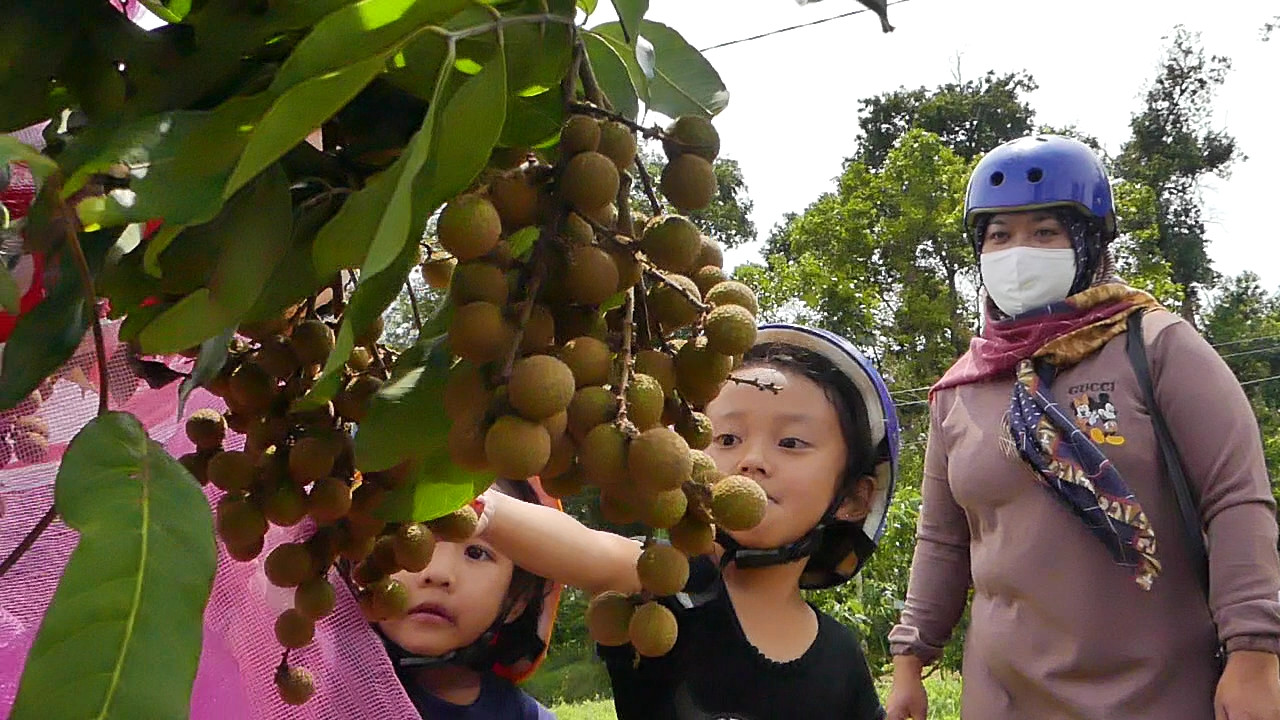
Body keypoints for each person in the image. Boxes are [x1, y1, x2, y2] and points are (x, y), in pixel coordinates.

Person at [884, 135, 1280, 720]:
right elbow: (943, 541)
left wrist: (1255, 654)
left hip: (1159, 692)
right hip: (1004, 696)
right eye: (1000, 235)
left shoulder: (1157, 347)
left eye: (1045, 232)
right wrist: (910, 664)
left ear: (1089, 241)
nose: (1018, 252)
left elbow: (1236, 500)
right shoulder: (960, 390)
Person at [470, 324, 900, 720]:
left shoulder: (841, 655)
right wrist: (477, 507)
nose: (751, 461)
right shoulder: (667, 586)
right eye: (728, 439)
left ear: (853, 498)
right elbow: (590, 550)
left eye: (791, 442)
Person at [374, 477, 561, 719]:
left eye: (476, 553)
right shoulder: (318, 692)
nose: (438, 573)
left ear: (516, 601)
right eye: (409, 538)